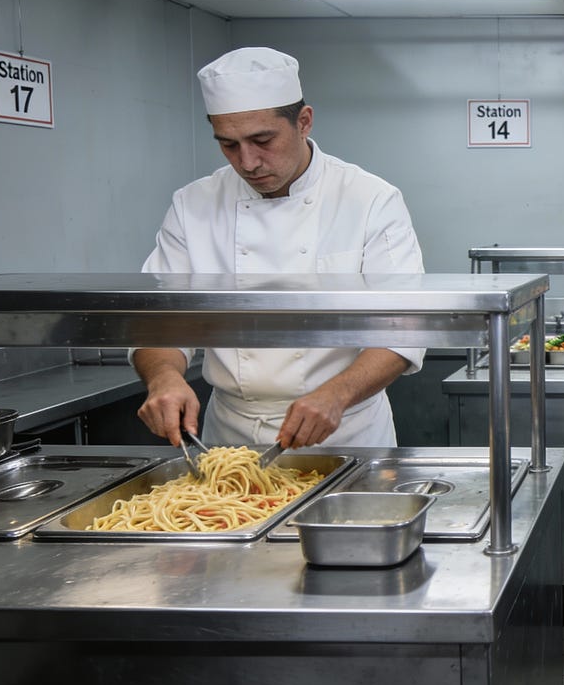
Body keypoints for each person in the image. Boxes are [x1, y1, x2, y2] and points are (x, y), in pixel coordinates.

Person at [132, 47, 425, 450]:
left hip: (344, 433)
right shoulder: (192, 205)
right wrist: (163, 376)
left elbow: (404, 328)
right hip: (228, 436)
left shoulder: (369, 199)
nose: (248, 162)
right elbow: (158, 319)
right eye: (228, 145)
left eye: (262, 140)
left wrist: (338, 393)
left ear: (304, 121)